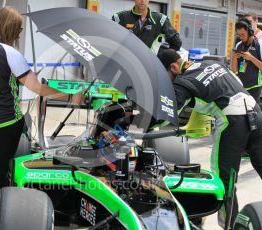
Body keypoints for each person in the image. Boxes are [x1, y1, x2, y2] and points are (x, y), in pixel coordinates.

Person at [0, 6, 85, 230]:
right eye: (18, 31)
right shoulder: (12, 54)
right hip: (7, 123)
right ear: (11, 29)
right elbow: (37, 88)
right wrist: (71, 96)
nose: (19, 36)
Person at [158, 49, 262, 228]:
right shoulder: (212, 63)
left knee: (223, 181)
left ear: (174, 67)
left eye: (164, 75)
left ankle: (229, 226)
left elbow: (166, 115)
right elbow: (233, 83)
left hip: (233, 122)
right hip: (257, 113)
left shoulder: (182, 82)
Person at [112, 0, 182, 54]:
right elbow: (108, 38)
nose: (142, 1)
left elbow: (176, 42)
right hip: (126, 63)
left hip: (148, 66)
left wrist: (164, 57)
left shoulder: (160, 19)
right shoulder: (119, 18)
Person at [231, 19, 262, 103]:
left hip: (255, 88)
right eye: (239, 35)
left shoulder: (260, 44)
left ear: (250, 32)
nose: (241, 37)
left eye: (243, 35)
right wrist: (234, 59)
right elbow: (234, 70)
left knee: (252, 114)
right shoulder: (238, 45)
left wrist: (251, 58)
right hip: (241, 87)